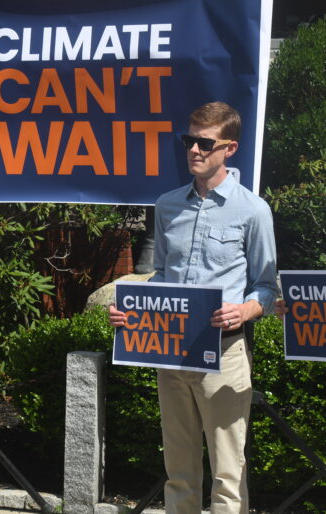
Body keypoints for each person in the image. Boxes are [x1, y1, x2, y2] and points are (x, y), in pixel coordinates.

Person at [109, 102, 278, 513]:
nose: (194, 151)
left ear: (229, 148)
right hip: (170, 352)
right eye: (190, 141)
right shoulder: (167, 205)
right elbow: (162, 275)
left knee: (228, 474)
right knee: (178, 471)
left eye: (205, 143)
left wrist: (245, 311)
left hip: (224, 352)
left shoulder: (253, 210)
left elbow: (267, 288)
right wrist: (133, 312)